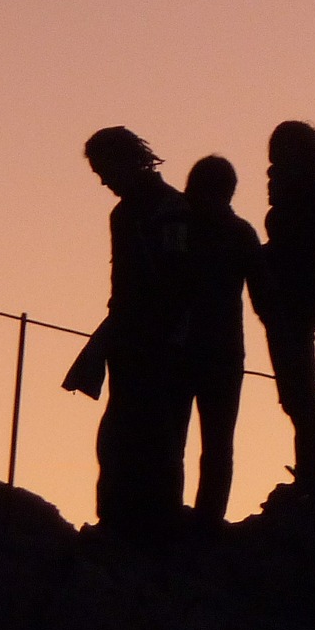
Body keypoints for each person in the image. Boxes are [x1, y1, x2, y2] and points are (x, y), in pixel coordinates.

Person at [70, 127, 190, 538]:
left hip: (155, 342)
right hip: (140, 339)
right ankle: (134, 521)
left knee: (145, 436)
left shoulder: (162, 211)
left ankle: (139, 524)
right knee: (142, 437)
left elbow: (168, 282)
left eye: (104, 169)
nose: (103, 181)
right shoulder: (159, 208)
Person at [256, 121, 315, 480]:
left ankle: (312, 474)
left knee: (301, 395)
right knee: (297, 394)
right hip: (288, 304)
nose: (271, 171)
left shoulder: (307, 203)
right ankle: (310, 471)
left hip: (292, 305)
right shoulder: (305, 199)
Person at [181, 154, 264, 522]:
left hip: (181, 346)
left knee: (173, 438)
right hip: (224, 349)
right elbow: (263, 295)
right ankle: (208, 519)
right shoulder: (241, 233)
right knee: (217, 444)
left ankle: (177, 515)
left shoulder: (181, 228)